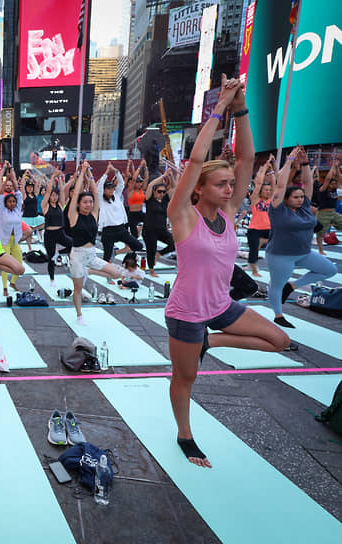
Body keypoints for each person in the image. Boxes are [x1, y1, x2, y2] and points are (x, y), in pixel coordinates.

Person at [164, 75, 290, 468]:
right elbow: (198, 160)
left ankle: (211, 344)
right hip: (187, 312)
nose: (228, 189)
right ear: (198, 189)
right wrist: (219, 107)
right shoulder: (182, 215)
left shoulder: (229, 212)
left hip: (221, 306)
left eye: (230, 185)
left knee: (279, 341)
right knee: (185, 379)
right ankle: (185, 435)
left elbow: (247, 160)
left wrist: (241, 108)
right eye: (221, 185)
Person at [267, 147, 338, 328]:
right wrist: (289, 160)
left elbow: (308, 183)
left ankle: (292, 286)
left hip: (304, 253)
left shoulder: (305, 207)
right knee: (276, 285)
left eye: (301, 196)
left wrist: (305, 162)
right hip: (280, 255)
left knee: (330, 270)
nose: (300, 199)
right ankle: (278, 315)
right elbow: (281, 186)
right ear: (285, 199)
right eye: (295, 197)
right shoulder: (278, 210)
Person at [67, 161, 122, 325]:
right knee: (77, 290)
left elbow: (96, 194)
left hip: (91, 256)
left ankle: (89, 271)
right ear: (78, 204)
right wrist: (82, 173)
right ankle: (79, 315)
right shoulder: (73, 216)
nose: (88, 204)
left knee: (116, 273)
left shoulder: (94, 214)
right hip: (77, 256)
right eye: (85, 202)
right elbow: (76, 194)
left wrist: (90, 176)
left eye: (90, 202)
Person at [98, 162, 143, 262]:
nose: (110, 190)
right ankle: (108, 275)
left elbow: (122, 183)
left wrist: (116, 171)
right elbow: (100, 186)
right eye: (108, 189)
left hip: (121, 229)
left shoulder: (117, 195)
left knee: (138, 245)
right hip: (108, 230)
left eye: (112, 188)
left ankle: (118, 253)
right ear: (104, 190)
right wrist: (107, 172)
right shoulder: (101, 199)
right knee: (106, 257)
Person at [40, 172, 72, 286]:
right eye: (52, 195)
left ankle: (59, 252)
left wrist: (59, 180)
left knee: (73, 244)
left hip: (60, 232)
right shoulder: (45, 205)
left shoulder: (60, 204)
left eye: (55, 195)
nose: (54, 197)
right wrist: (52, 177)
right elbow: (48, 191)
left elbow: (63, 192)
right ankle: (52, 279)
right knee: (50, 259)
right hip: (49, 234)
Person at [143, 171, 177, 277]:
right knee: (151, 250)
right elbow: (150, 185)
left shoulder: (164, 200)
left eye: (163, 192)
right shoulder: (149, 200)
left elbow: (174, 189)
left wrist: (171, 177)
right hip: (150, 230)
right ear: (154, 191)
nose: (161, 194)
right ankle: (152, 270)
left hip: (162, 229)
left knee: (174, 244)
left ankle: (159, 254)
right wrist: (163, 176)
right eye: (159, 191)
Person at [246, 158, 275, 277]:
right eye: (266, 190)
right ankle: (254, 270)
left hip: (269, 229)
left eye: (269, 190)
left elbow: (275, 185)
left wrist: (272, 171)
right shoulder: (255, 200)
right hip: (255, 229)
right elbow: (258, 184)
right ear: (261, 191)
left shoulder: (271, 200)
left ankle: (263, 241)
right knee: (253, 251)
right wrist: (263, 171)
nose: (268, 192)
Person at [0, 182, 24, 296]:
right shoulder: (2, 211)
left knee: (20, 264)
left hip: (15, 240)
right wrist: (5, 181)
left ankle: (12, 283)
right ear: (5, 203)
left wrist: (13, 180)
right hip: (4, 241)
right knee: (6, 266)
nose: (12, 203)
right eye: (9, 201)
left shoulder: (18, 210)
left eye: (13, 201)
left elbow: (19, 194)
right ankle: (4, 287)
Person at [315, 158, 342, 255]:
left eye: (335, 184)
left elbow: (340, 178)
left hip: (333, 213)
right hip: (323, 213)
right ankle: (320, 249)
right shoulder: (322, 189)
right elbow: (328, 178)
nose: (334, 185)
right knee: (321, 233)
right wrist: (332, 167)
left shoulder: (334, 190)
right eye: (332, 183)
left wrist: (337, 168)